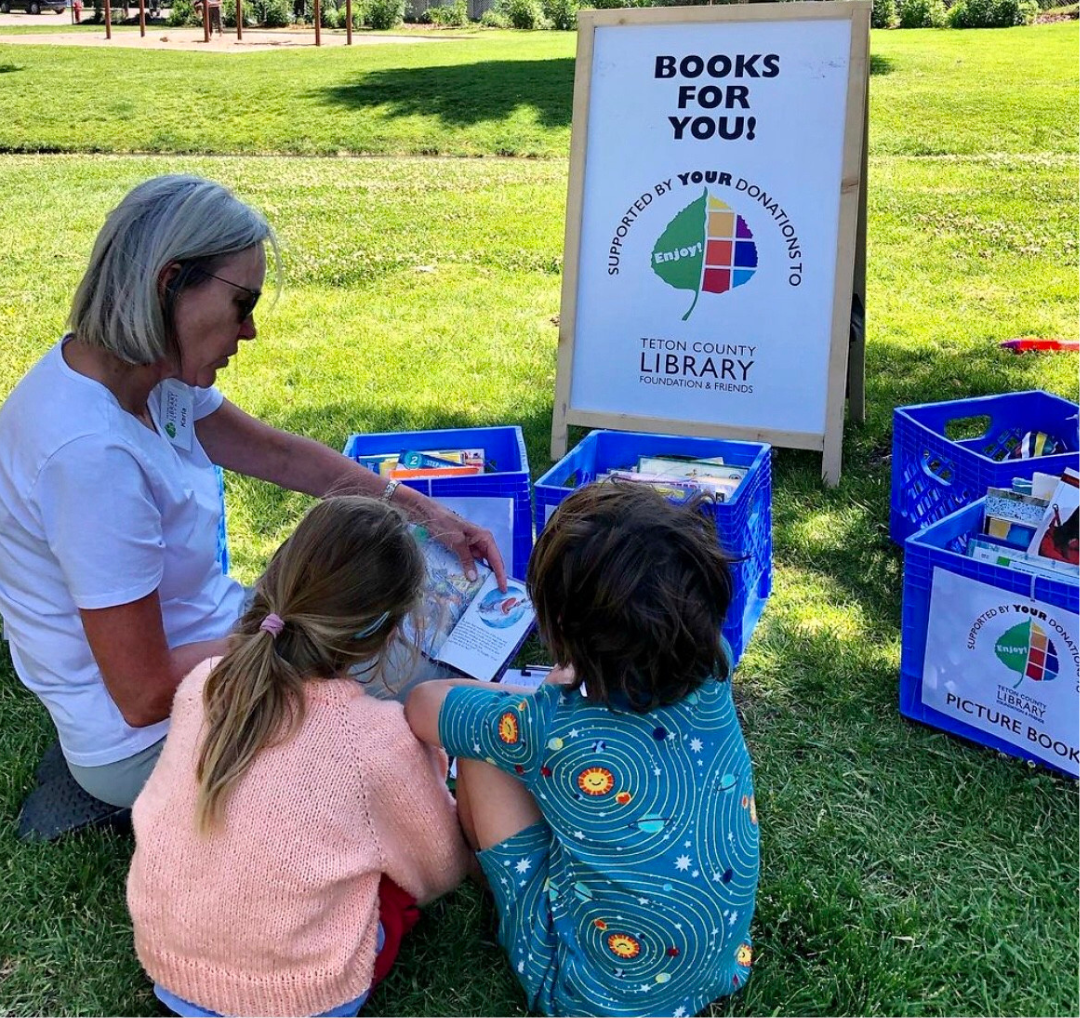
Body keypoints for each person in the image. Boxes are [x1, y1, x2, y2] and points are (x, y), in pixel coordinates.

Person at [0, 174, 505, 809]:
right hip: (150, 738)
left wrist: (428, 515)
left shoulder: (149, 375)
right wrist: (306, 630)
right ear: (170, 283)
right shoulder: (87, 455)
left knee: (419, 650)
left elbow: (278, 453)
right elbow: (142, 693)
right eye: (243, 305)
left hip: (230, 647)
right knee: (424, 700)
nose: (250, 332)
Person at [405, 482, 760, 1018]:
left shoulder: (549, 726)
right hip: (721, 959)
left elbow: (424, 704)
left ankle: (490, 881)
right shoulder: (715, 664)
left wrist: (540, 694)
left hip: (585, 996)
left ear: (561, 629)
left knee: (480, 746)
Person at [127, 495, 471, 1017]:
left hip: (172, 971)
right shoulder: (375, 737)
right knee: (392, 895)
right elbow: (440, 868)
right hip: (304, 995)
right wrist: (439, 768)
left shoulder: (205, 684)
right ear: (385, 632)